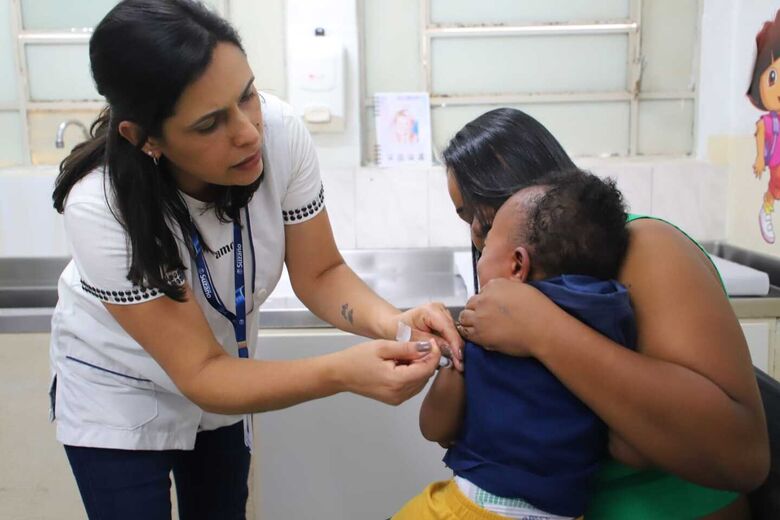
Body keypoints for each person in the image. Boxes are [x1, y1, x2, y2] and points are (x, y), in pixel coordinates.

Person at [49, 1, 459, 518]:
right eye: (209, 123)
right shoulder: (100, 208)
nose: (247, 131)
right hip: (120, 389)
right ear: (144, 137)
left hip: (227, 376)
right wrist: (342, 373)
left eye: (247, 96)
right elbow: (199, 373)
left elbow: (321, 273)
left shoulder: (280, 132)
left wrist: (394, 324)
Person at [441, 108, 769, 519]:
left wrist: (542, 328)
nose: (476, 233)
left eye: (484, 213)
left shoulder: (647, 246)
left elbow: (742, 456)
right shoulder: (508, 294)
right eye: (465, 217)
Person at [394, 170, 637, 519]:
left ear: (517, 265)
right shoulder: (614, 316)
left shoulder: (490, 323)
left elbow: (435, 427)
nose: (478, 258)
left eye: (486, 246)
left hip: (477, 507)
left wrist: (450, 357)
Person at [748, 9, 780, 243]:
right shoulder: (767, 122)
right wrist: (760, 159)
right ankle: (767, 207)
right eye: (772, 78)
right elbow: (761, 136)